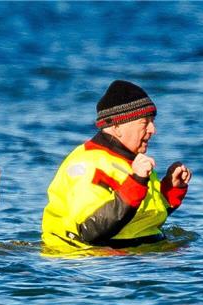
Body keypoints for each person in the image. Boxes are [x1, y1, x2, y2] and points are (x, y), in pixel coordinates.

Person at [41, 80, 191, 251]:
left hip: (137, 255)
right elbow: (91, 231)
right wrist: (137, 182)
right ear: (117, 127)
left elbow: (143, 216)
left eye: (153, 121)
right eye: (145, 123)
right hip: (90, 260)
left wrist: (171, 188)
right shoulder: (88, 165)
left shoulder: (132, 162)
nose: (153, 130)